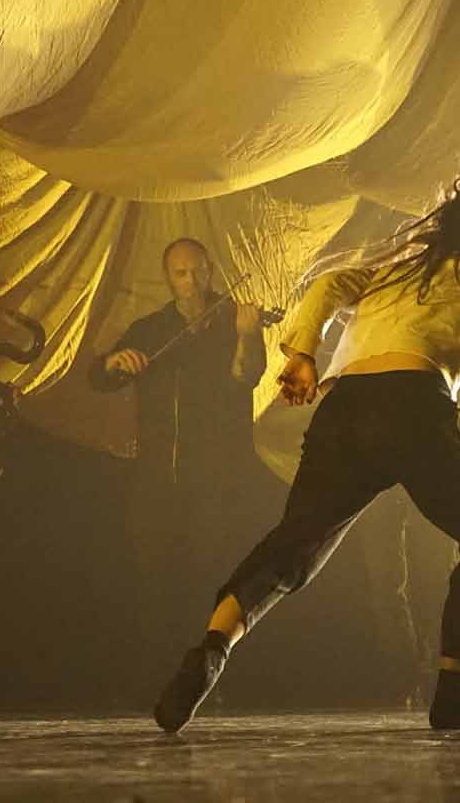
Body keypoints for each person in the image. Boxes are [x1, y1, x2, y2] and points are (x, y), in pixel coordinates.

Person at [153, 168, 460, 733]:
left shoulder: (403, 267)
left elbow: (328, 285)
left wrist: (303, 353)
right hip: (417, 401)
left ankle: (213, 646)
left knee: (294, 543)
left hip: (345, 406)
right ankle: (453, 692)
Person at [89, 238, 269, 689]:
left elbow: (245, 377)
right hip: (156, 476)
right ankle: (157, 678)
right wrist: (115, 362)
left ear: (211, 272)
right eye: (180, 273)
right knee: (155, 575)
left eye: (197, 271)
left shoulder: (234, 322)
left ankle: (211, 678)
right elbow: (100, 379)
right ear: (168, 277)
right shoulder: (151, 328)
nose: (190, 281)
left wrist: (248, 334)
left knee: (213, 574)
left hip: (217, 475)